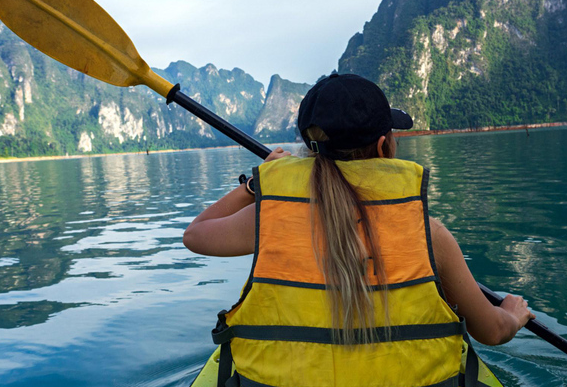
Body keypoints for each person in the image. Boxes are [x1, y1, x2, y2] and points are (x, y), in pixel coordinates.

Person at [184, 73, 534, 387]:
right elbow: (491, 331)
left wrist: (256, 188)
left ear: (310, 148)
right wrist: (512, 315)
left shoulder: (265, 219)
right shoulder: (429, 234)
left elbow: (196, 234)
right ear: (384, 146)